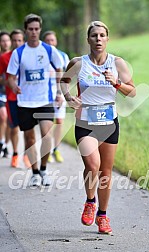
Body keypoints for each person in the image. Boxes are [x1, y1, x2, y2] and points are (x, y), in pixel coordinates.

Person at [60, 21, 136, 234]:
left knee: (105, 172)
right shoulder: (78, 63)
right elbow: (64, 81)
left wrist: (117, 84)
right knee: (93, 166)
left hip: (109, 123)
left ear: (107, 39)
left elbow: (133, 92)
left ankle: (102, 215)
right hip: (85, 121)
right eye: (94, 36)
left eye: (102, 35)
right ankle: (90, 201)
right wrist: (68, 97)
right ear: (88, 40)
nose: (98, 39)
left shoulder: (117, 63)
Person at [7, 14, 63, 186]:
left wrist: (59, 91)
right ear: (26, 30)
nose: (33, 32)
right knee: (30, 139)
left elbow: (60, 69)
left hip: (44, 100)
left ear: (40, 29)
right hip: (25, 102)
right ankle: (35, 172)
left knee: (47, 136)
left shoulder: (48, 50)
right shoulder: (19, 52)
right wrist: (14, 86)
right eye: (30, 29)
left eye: (36, 29)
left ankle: (44, 169)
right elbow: (10, 76)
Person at [0, 29, 31, 168]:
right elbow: (1, 78)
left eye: (20, 40)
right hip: (12, 97)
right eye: (14, 40)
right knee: (14, 128)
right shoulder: (5, 57)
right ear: (11, 42)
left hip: (28, 98)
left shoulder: (29, 56)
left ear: (23, 41)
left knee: (27, 129)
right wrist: (9, 82)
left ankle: (26, 155)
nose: (17, 43)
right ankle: (15, 154)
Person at [42, 31, 70, 163]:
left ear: (56, 41)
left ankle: (56, 149)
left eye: (52, 40)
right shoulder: (40, 56)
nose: (50, 43)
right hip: (45, 94)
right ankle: (46, 150)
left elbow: (67, 77)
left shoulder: (63, 56)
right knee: (46, 123)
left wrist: (63, 93)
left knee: (59, 121)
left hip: (59, 93)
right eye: (47, 41)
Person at [0, 31, 11, 157]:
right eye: (3, 40)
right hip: (1, 91)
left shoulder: (14, 57)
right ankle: (1, 142)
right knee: (3, 116)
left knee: (9, 121)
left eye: (7, 40)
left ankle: (5, 145)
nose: (5, 43)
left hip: (11, 93)